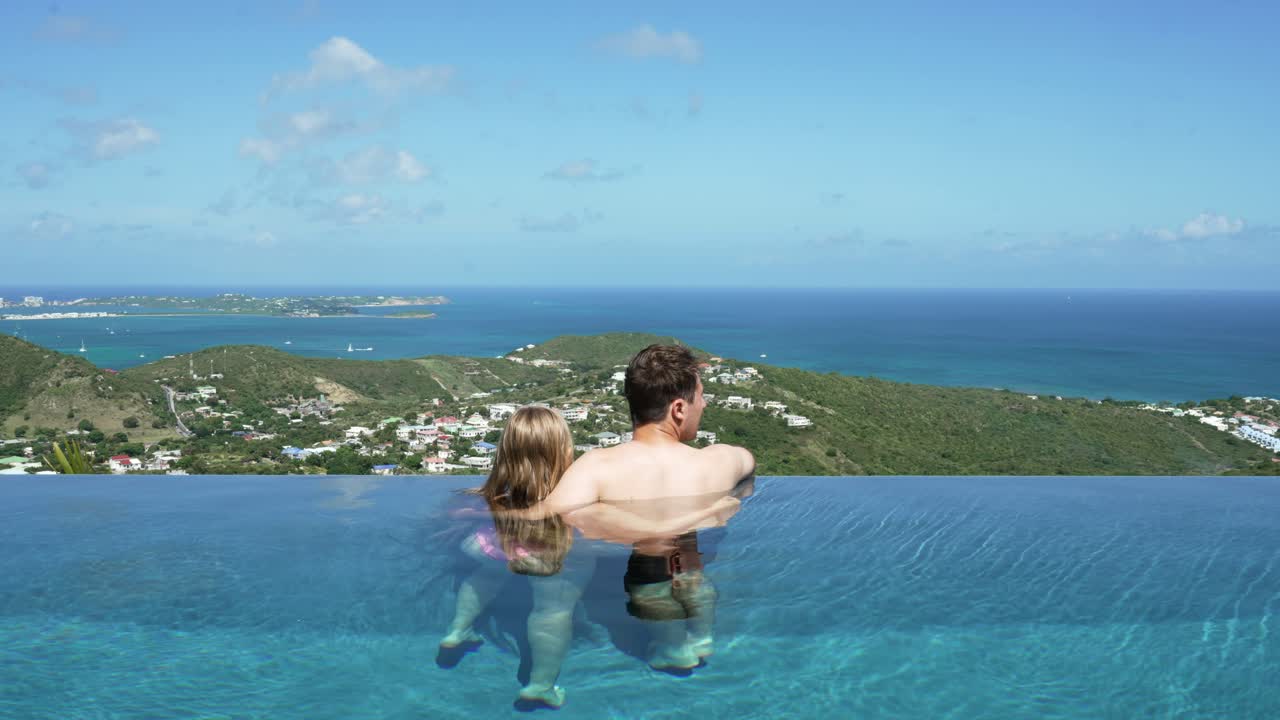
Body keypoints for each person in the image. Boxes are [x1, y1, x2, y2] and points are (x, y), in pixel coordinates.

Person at [439, 405, 739, 709]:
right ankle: (540, 686)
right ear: (565, 448)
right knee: (551, 611)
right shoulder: (576, 492)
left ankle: (457, 630)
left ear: (507, 449)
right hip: (550, 556)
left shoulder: (497, 492)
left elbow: (463, 512)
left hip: (495, 547)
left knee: (487, 576)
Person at [516, 344, 756, 671]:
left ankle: (672, 649)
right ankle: (701, 638)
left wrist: (601, 516)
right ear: (679, 409)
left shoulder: (598, 467)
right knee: (690, 572)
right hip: (688, 558)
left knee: (650, 583)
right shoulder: (722, 460)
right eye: (701, 395)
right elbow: (747, 471)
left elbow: (540, 516)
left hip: (648, 568)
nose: (706, 402)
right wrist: (730, 502)